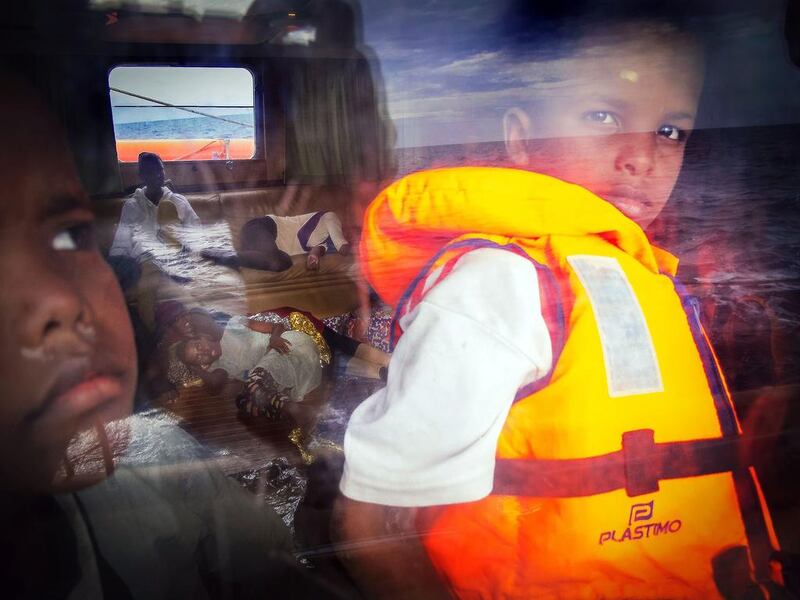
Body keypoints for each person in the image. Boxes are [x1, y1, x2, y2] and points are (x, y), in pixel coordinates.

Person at [332, 3, 789, 599]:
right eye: (604, 115)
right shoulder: (498, 284)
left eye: (670, 130)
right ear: (522, 139)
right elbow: (370, 522)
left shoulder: (633, 273)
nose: (642, 156)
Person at [0, 75, 345, 599]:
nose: (62, 303)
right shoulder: (133, 210)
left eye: (69, 236)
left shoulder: (160, 454)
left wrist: (197, 265)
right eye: (149, 172)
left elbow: (277, 564)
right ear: (141, 176)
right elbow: (125, 253)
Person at [202, 210, 352, 272]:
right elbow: (343, 248)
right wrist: (365, 245)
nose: (352, 238)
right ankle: (215, 254)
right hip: (263, 228)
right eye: (353, 234)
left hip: (266, 248)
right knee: (274, 259)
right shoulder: (331, 217)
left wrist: (313, 259)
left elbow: (317, 250)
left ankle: (233, 256)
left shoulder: (326, 242)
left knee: (284, 262)